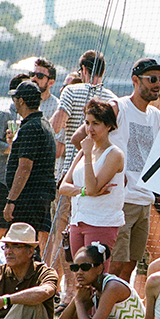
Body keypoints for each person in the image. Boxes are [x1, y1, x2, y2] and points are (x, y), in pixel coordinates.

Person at [50, 51, 116, 306]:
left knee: (64, 242)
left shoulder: (70, 91)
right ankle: (84, 300)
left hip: (74, 171)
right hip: (97, 179)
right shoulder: (110, 99)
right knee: (93, 254)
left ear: (82, 69)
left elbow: (56, 124)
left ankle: (68, 294)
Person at [106, 58, 160, 287]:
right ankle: (100, 315)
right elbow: (85, 137)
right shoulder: (117, 107)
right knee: (115, 264)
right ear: (135, 80)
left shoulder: (156, 116)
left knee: (130, 265)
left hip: (144, 200)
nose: (157, 84)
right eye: (152, 79)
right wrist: (106, 173)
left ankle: (117, 314)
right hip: (121, 199)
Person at [47, 242, 145, 319]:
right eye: (75, 268)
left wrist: (79, 301)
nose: (79, 272)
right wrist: (77, 298)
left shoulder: (112, 287)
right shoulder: (93, 288)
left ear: (99, 268)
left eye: (85, 267)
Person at [60, 99, 125, 258]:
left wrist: (88, 154)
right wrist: (83, 192)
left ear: (108, 125)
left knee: (96, 274)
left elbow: (93, 186)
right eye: (87, 123)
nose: (90, 129)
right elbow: (63, 187)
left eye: (95, 123)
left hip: (101, 222)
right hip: (77, 221)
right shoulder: (82, 152)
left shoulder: (114, 154)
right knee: (79, 274)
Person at [3, 81, 57, 247]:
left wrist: (11, 200)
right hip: (40, 198)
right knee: (30, 246)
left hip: (27, 199)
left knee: (21, 246)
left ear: (21, 101)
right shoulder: (45, 124)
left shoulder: (30, 128)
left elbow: (25, 167)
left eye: (15, 99)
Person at [0, 73, 28, 252]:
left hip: (18, 182)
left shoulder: (29, 118)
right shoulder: (5, 114)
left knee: (17, 229)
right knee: (0, 227)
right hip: (1, 180)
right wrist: (13, 149)